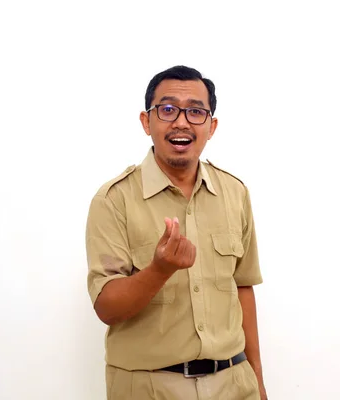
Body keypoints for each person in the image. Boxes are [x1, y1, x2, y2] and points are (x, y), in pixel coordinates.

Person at [85, 65, 267, 400]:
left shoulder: (235, 193)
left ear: (211, 126)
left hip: (234, 384)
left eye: (195, 112)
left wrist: (258, 381)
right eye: (167, 109)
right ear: (146, 122)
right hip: (149, 389)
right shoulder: (113, 200)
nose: (181, 122)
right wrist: (159, 270)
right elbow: (106, 308)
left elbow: (243, 287)